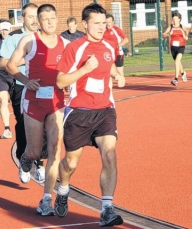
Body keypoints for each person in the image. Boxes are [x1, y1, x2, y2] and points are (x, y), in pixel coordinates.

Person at [53, 3, 125, 227]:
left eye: (104, 23)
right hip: (79, 113)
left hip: (105, 111)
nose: (102, 27)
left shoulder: (110, 45)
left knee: (110, 155)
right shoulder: (75, 48)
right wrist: (84, 69)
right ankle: (63, 189)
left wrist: (117, 76)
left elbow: (109, 65)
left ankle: (106, 209)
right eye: (97, 23)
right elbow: (60, 81)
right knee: (71, 163)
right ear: (85, 24)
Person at [6, 4, 69, 216]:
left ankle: (46, 199)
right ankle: (25, 159)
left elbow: (73, 69)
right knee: (34, 151)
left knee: (55, 149)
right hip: (33, 101)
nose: (50, 22)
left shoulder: (66, 43)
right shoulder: (29, 40)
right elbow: (11, 65)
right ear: (38, 22)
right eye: (45, 18)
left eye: (53, 17)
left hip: (56, 102)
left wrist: (69, 81)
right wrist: (26, 80)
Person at [0, 3, 47, 183]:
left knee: (43, 126)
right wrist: (24, 59)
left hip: (44, 87)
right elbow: (3, 63)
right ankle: (22, 159)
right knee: (23, 124)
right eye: (31, 17)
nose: (35, 20)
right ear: (22, 18)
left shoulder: (44, 36)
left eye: (37, 17)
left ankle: (40, 163)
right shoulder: (14, 37)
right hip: (21, 85)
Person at [162, 12, 188, 86]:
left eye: (176, 19)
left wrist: (186, 36)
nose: (174, 20)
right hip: (173, 47)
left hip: (181, 46)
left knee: (177, 61)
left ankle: (176, 79)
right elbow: (163, 34)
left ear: (179, 19)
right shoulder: (170, 27)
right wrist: (169, 34)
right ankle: (183, 73)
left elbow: (186, 31)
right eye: (173, 19)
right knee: (178, 63)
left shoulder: (182, 26)